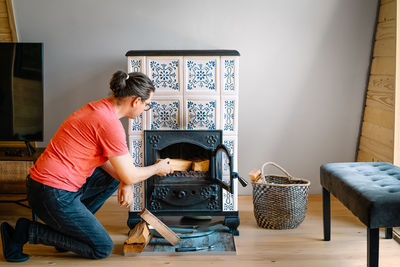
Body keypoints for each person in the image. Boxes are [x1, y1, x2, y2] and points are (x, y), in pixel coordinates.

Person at [0, 71, 174, 262]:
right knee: (101, 248)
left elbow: (116, 165)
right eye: (147, 105)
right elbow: (131, 174)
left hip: (47, 187)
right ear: (135, 101)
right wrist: (157, 168)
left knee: (111, 178)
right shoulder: (109, 123)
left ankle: (69, 233)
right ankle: (26, 231)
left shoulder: (99, 108)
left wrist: (125, 180)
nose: (145, 109)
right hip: (51, 193)